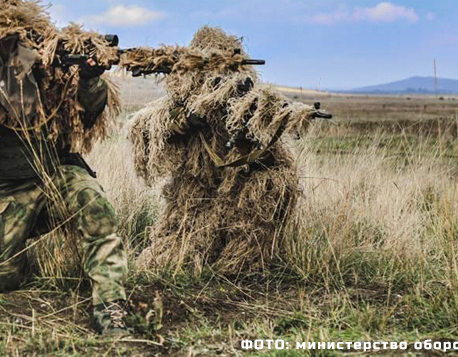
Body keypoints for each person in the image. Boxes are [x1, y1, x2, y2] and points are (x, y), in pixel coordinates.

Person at [0, 0, 131, 336]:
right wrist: (6, 82)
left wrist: (89, 79)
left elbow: (87, 112)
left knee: (96, 207)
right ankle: (31, 263)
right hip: (11, 188)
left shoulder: (51, 72)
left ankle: (110, 306)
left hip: (58, 175)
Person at [127, 26, 330, 275]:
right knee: (177, 253)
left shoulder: (246, 95)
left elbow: (268, 117)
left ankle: (241, 266)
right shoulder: (181, 101)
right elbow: (148, 126)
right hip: (196, 193)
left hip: (239, 187)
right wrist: (187, 121)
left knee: (266, 197)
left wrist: (291, 113)